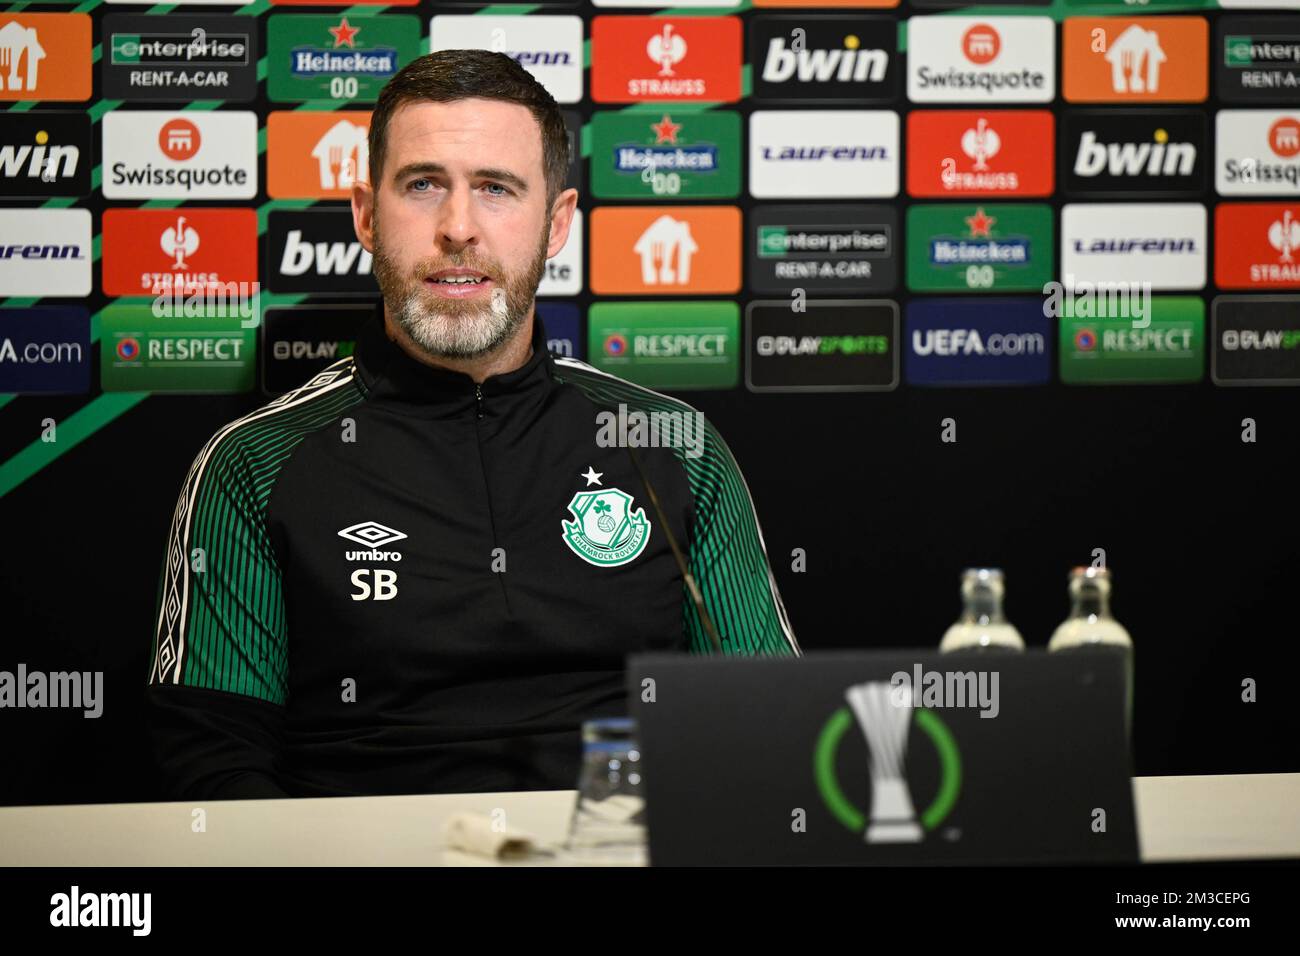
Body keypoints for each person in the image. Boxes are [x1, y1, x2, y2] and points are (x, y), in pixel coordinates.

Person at [146, 49, 799, 801]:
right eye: (423, 185)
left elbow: (767, 727)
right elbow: (216, 775)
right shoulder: (252, 464)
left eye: (497, 189)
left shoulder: (675, 447)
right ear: (364, 214)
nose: (458, 228)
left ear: (556, 223)